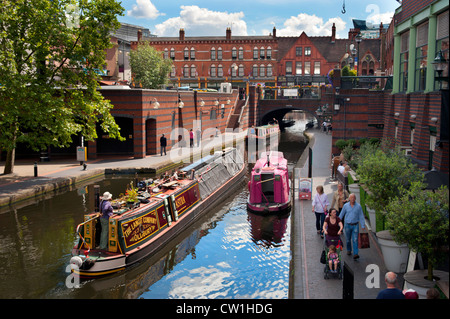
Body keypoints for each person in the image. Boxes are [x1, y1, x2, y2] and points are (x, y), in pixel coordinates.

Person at [339, 193, 365, 259]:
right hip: (347, 225)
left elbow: (361, 216)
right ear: (349, 199)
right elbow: (341, 214)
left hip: (355, 225)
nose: (352, 199)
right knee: (348, 239)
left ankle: (355, 253)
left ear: (355, 198)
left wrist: (362, 225)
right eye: (351, 198)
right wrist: (337, 223)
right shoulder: (346, 206)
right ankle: (349, 250)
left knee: (355, 239)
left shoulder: (358, 206)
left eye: (354, 198)